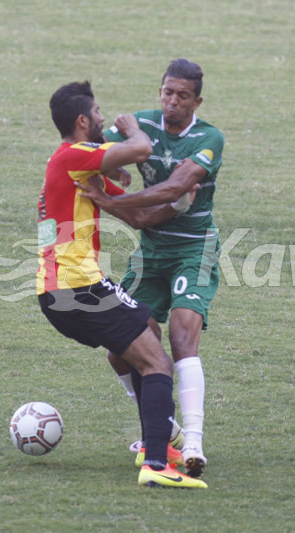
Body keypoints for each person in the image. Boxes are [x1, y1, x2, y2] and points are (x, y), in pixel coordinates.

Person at [37, 81, 206, 488]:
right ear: (82, 121)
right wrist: (131, 127)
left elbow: (137, 216)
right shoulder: (74, 156)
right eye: (97, 112)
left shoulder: (71, 168)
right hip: (78, 287)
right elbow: (142, 149)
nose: (102, 118)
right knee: (157, 363)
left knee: (143, 336)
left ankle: (159, 444)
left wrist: (179, 203)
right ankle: (156, 463)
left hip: (59, 291)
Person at [76, 58, 224, 478]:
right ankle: (164, 428)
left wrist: (112, 203)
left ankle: (193, 442)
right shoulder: (141, 126)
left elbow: (177, 187)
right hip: (150, 252)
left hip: (194, 248)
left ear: (197, 100)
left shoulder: (209, 137)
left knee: (180, 338)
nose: (172, 102)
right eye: (166, 93)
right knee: (121, 352)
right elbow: (88, 149)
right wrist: (112, 163)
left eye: (182, 96)